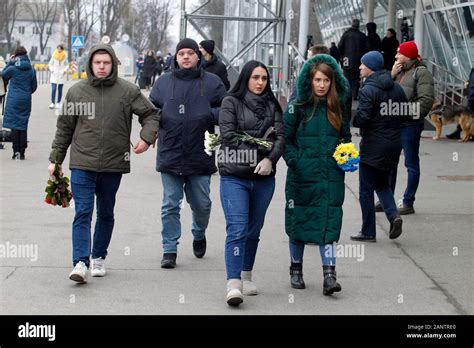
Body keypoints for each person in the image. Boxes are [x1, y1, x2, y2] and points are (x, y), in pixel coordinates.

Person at [48, 44, 160, 283]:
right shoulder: (76, 92)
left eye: (106, 63)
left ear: (113, 64)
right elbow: (64, 128)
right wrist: (55, 160)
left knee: (106, 212)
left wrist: (146, 138)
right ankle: (80, 262)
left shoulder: (127, 91)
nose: (101, 66)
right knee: (83, 212)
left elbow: (151, 114)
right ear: (90, 64)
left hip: (113, 164)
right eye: (97, 62)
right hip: (82, 163)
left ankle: (98, 256)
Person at [149, 38, 226, 269]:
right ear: (176, 57)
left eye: (190, 53)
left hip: (200, 153)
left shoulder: (212, 83)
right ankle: (169, 249)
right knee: (170, 204)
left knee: (201, 204)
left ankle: (199, 232)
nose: (185, 57)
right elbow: (150, 109)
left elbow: (228, 107)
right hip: (170, 152)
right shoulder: (163, 83)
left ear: (197, 57)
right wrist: (153, 129)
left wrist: (207, 114)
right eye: (181, 53)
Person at [283, 54, 351, 295]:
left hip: (331, 177)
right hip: (302, 176)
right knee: (298, 221)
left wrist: (347, 156)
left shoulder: (337, 107)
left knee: (329, 223)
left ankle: (329, 275)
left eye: (326, 81)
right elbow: (285, 139)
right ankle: (296, 268)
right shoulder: (297, 107)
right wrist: (295, 161)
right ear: (309, 81)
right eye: (318, 80)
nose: (322, 85)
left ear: (333, 83)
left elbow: (345, 138)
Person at [218, 60, 285, 306]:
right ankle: (233, 283)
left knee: (253, 231)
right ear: (246, 78)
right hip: (234, 176)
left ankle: (246, 275)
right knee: (237, 229)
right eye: (255, 77)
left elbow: (280, 137)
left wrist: (270, 160)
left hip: (264, 179)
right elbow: (228, 137)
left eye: (264, 78)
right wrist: (263, 148)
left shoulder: (272, 105)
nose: (260, 82)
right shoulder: (230, 102)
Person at [350, 51, 405, 243]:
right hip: (393, 144)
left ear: (371, 67)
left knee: (365, 189)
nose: (359, 67)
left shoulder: (368, 90)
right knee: (382, 184)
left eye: (362, 64)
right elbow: (404, 115)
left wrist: (355, 120)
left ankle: (368, 231)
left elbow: (362, 118)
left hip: (373, 145)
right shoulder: (397, 89)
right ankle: (393, 215)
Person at [384, 41, 434, 215]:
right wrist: (391, 75)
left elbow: (426, 102)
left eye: (399, 53)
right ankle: (387, 200)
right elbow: (384, 91)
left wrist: (402, 111)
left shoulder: (421, 73)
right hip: (395, 124)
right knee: (390, 163)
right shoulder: (399, 71)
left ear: (408, 55)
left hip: (410, 125)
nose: (396, 56)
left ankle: (408, 202)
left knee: (411, 163)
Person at [0, 46, 37, 160]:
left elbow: (3, 74)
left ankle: (15, 152)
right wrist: (26, 92)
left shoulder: (13, 68)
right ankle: (22, 152)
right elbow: (34, 87)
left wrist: (10, 62)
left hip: (13, 100)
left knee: (15, 126)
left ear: (16, 56)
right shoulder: (31, 69)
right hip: (25, 99)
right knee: (23, 124)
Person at [338, 19, 368, 100]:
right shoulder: (362, 36)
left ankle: (347, 94)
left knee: (347, 77)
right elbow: (367, 48)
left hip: (346, 60)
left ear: (352, 25)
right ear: (358, 26)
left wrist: (341, 56)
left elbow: (340, 46)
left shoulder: (346, 34)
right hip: (358, 60)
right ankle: (354, 94)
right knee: (356, 78)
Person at [447, 68, 474, 139]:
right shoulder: (473, 69)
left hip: (472, 95)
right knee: (466, 116)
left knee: (468, 116)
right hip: (471, 95)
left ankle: (463, 133)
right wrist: (468, 82)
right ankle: (458, 131)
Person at [48, 44, 68, 109]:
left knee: (60, 89)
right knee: (53, 89)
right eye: (58, 48)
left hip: (61, 75)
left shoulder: (65, 56)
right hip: (54, 74)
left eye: (60, 49)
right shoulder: (54, 55)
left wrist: (64, 70)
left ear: (62, 49)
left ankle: (58, 102)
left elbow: (67, 65)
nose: (59, 50)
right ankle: (52, 103)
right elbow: (50, 64)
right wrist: (52, 70)